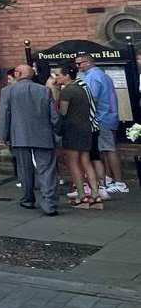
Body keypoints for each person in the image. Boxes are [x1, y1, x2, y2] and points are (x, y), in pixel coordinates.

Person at [0, 65, 59, 215]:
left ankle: (28, 200)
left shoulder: (7, 92)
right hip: (43, 135)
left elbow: (4, 116)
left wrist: (4, 136)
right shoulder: (44, 90)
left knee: (24, 170)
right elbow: (54, 116)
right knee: (47, 171)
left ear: (18, 74)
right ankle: (49, 204)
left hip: (19, 135)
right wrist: (57, 132)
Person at [49, 61, 102, 209]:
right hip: (86, 128)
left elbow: (63, 112)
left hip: (72, 130)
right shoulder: (81, 88)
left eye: (58, 75)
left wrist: (56, 91)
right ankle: (95, 194)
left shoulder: (68, 91)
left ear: (67, 75)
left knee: (73, 163)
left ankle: (80, 195)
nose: (55, 77)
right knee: (86, 161)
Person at [77, 52, 128, 194]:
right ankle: (109, 178)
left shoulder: (92, 77)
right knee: (104, 150)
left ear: (88, 62)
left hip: (101, 117)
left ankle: (119, 182)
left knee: (108, 150)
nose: (78, 66)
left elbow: (92, 97)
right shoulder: (104, 75)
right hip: (109, 116)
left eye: (79, 63)